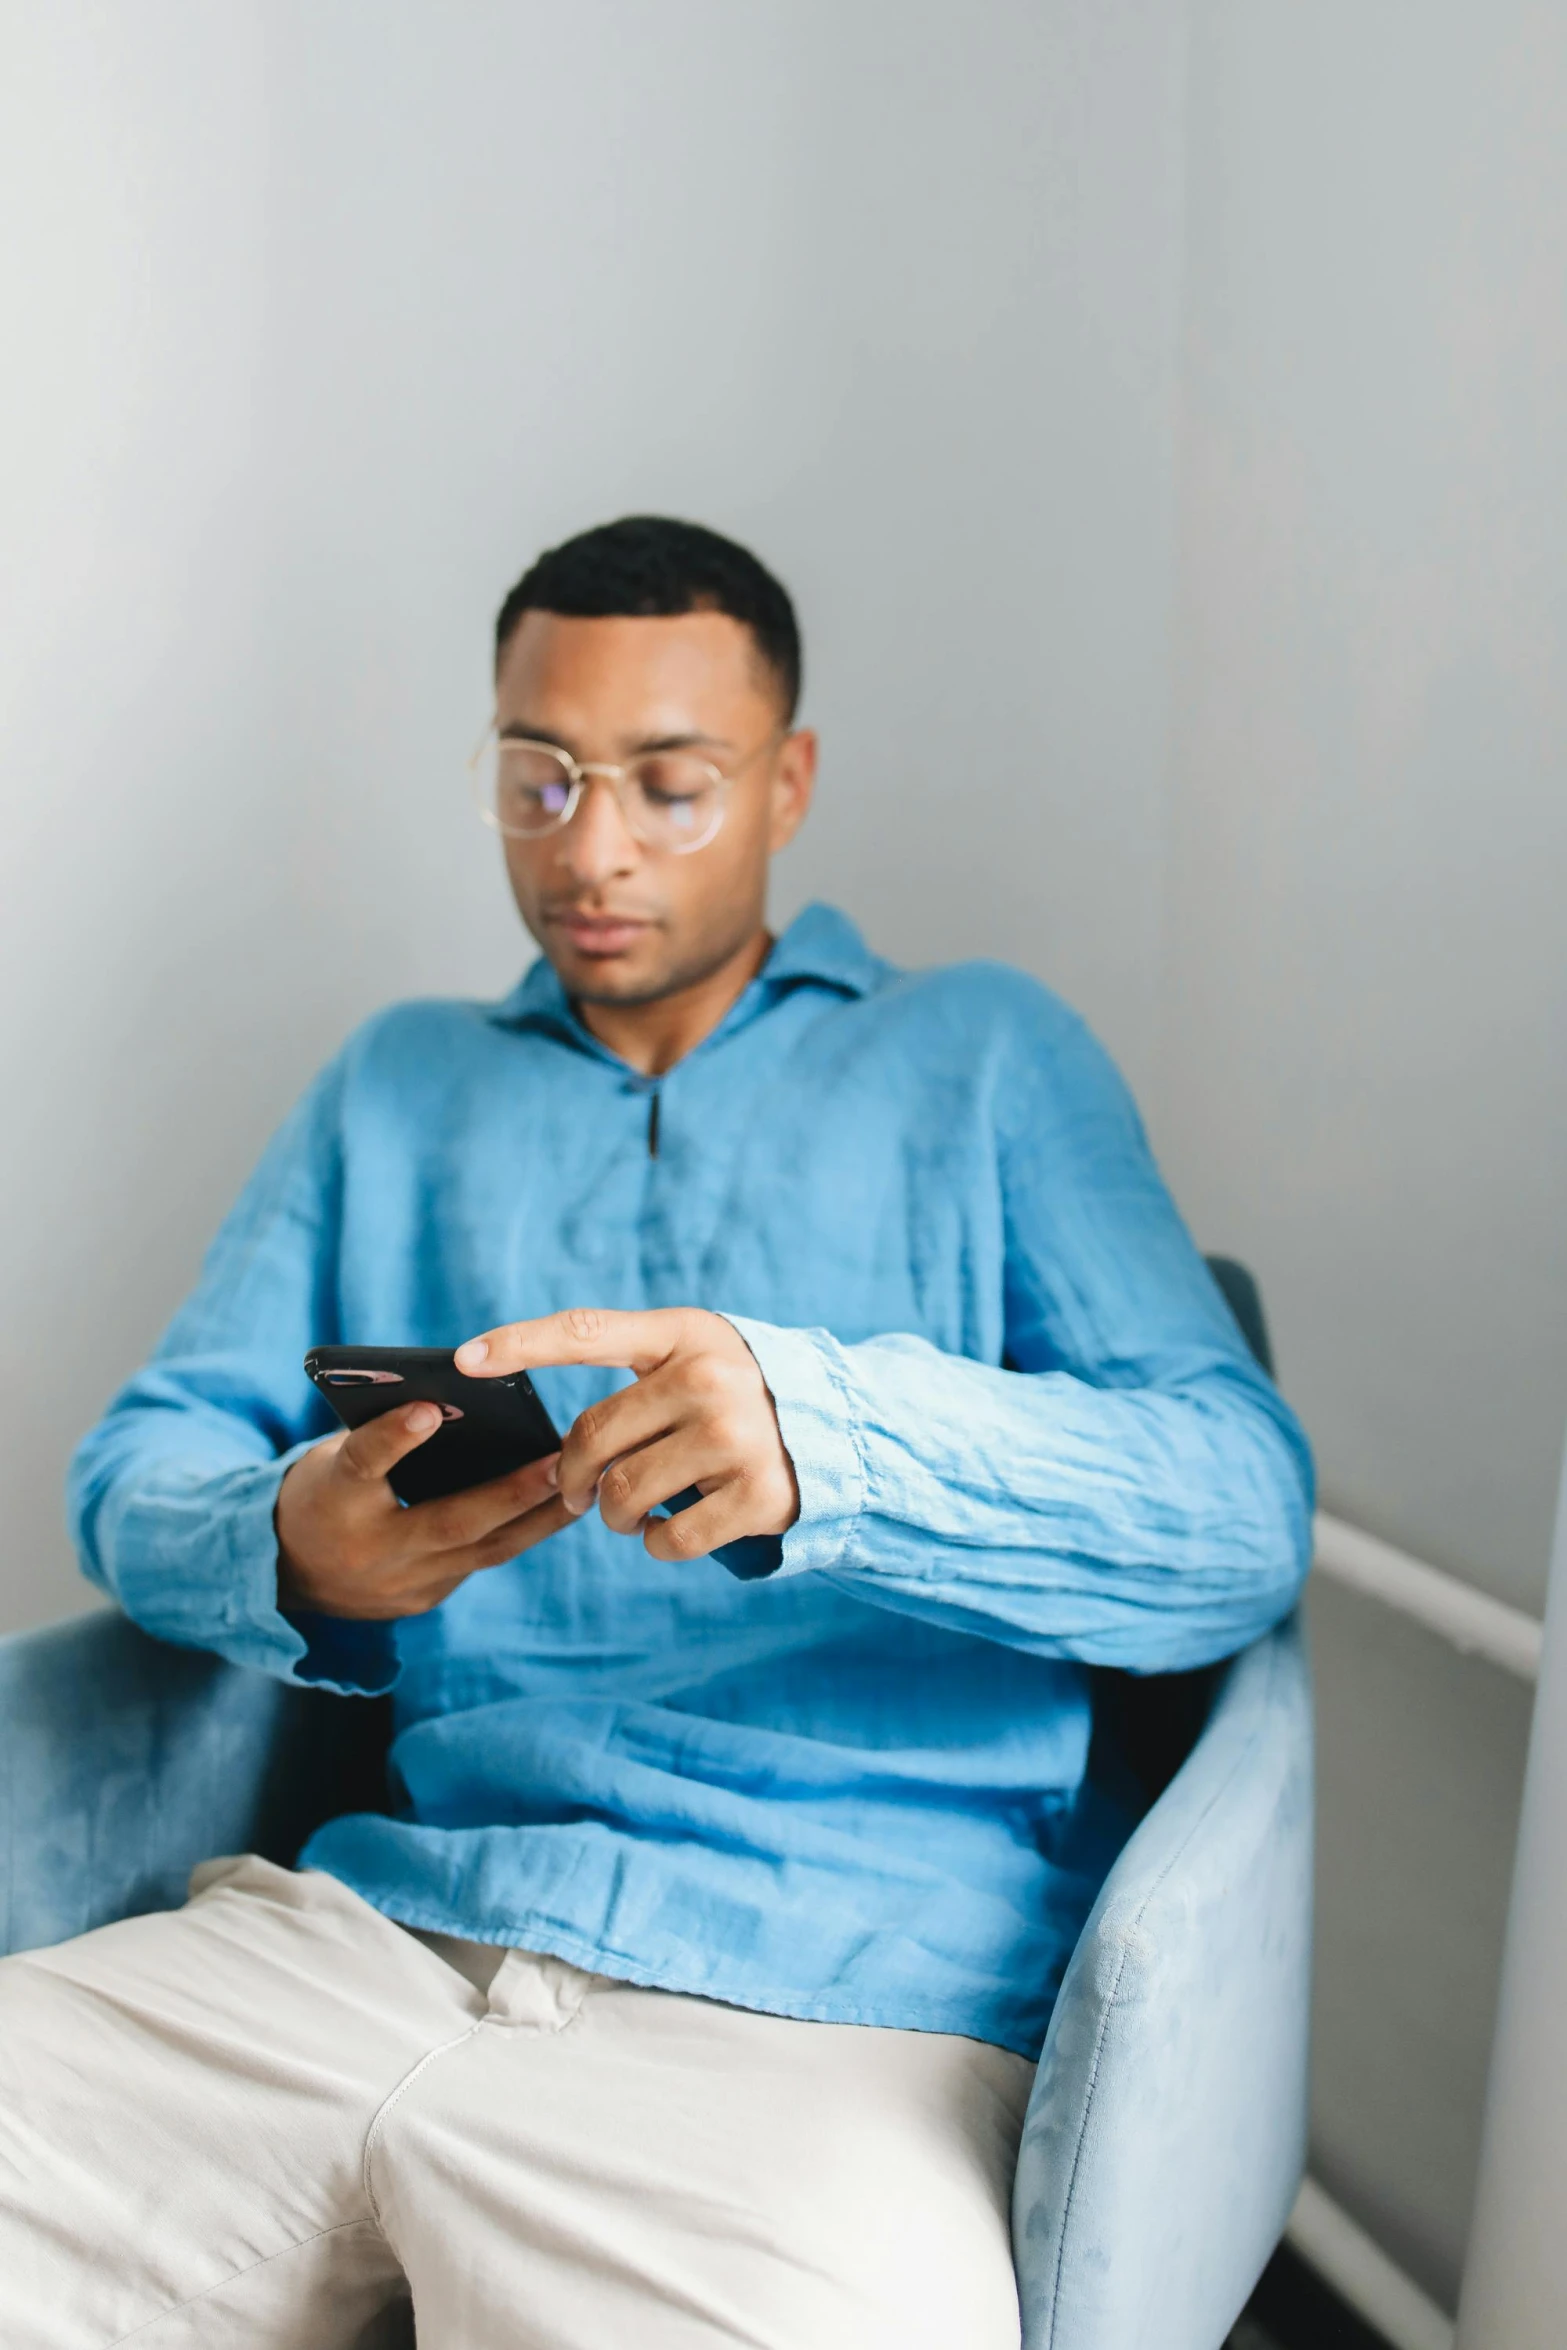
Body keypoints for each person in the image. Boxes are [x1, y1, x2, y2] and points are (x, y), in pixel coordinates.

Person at [0, 516, 1313, 2350]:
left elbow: (1240, 1510)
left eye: (667, 786)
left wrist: (833, 1441)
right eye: (537, 778)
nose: (589, 846)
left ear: (787, 782)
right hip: (369, 1937)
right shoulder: (394, 1083)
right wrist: (288, 1546)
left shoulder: (989, 1059)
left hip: (828, 2013)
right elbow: (133, 1468)